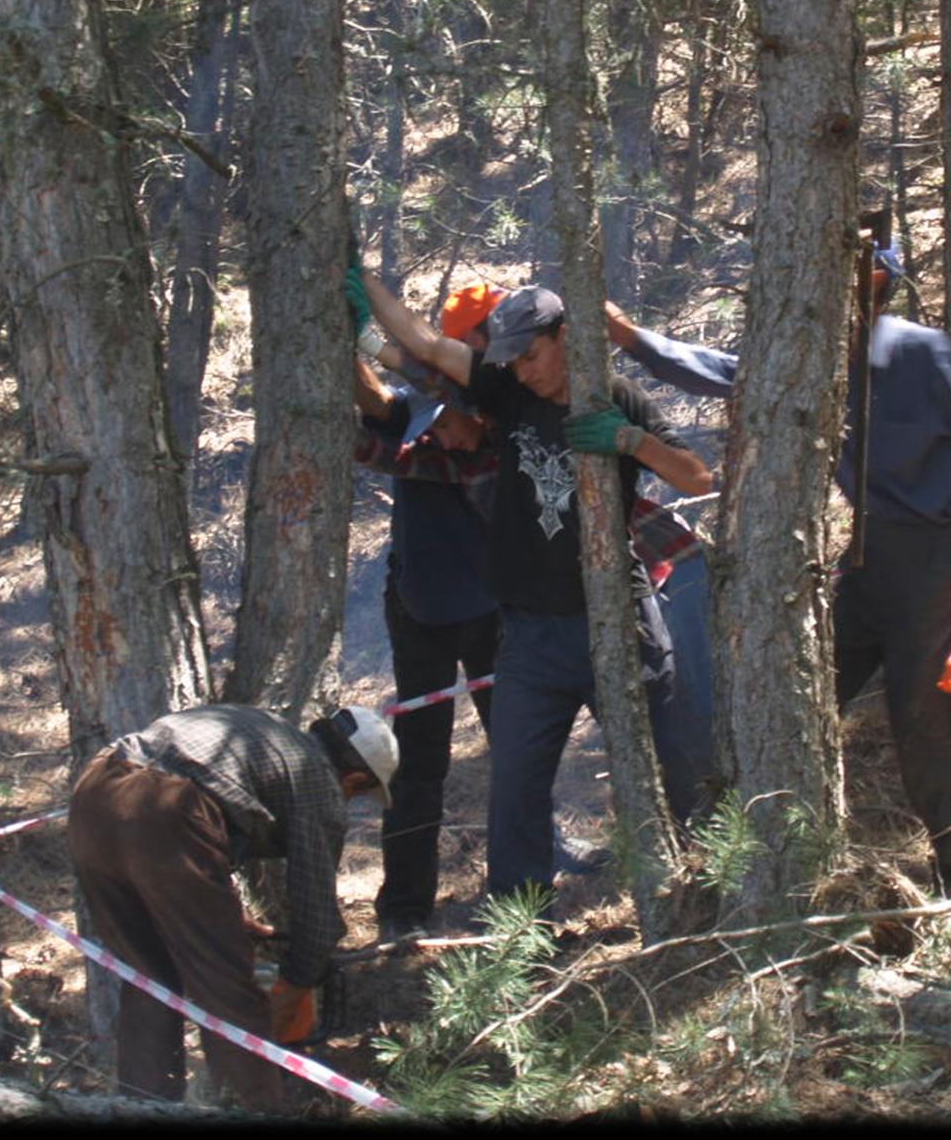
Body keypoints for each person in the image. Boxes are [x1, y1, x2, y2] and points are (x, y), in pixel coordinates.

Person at [605, 250, 951, 898]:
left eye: (854, 280)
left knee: (921, 722)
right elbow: (717, 370)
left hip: (939, 562)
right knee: (803, 697)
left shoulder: (925, 353)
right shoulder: (808, 362)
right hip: (867, 558)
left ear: (878, 287)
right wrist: (630, 338)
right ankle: (754, 863)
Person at [355, 269, 716, 907]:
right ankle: (523, 931)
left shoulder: (619, 398)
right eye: (512, 359)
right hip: (528, 636)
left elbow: (696, 477)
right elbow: (426, 345)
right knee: (515, 789)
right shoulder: (507, 395)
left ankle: (709, 886)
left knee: (673, 761)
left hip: (616, 622)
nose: (524, 371)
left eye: (532, 355)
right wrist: (359, 280)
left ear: (566, 337)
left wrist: (628, 441)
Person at [67, 703, 398, 1112]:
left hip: (96, 792)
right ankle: (256, 1108)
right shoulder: (320, 781)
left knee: (148, 981)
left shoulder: (270, 731)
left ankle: (143, 1106)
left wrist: (226, 918)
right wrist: (294, 989)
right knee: (229, 993)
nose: (348, 801)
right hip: (165, 808)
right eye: (357, 794)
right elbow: (316, 917)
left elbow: (172, 855)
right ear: (354, 777)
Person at [349, 285, 506, 947]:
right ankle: (405, 904)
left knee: (522, 749)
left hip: (499, 608)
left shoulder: (508, 406)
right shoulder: (418, 409)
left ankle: (531, 869)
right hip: (422, 611)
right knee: (419, 768)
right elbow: (380, 405)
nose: (441, 431)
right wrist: (342, 342)